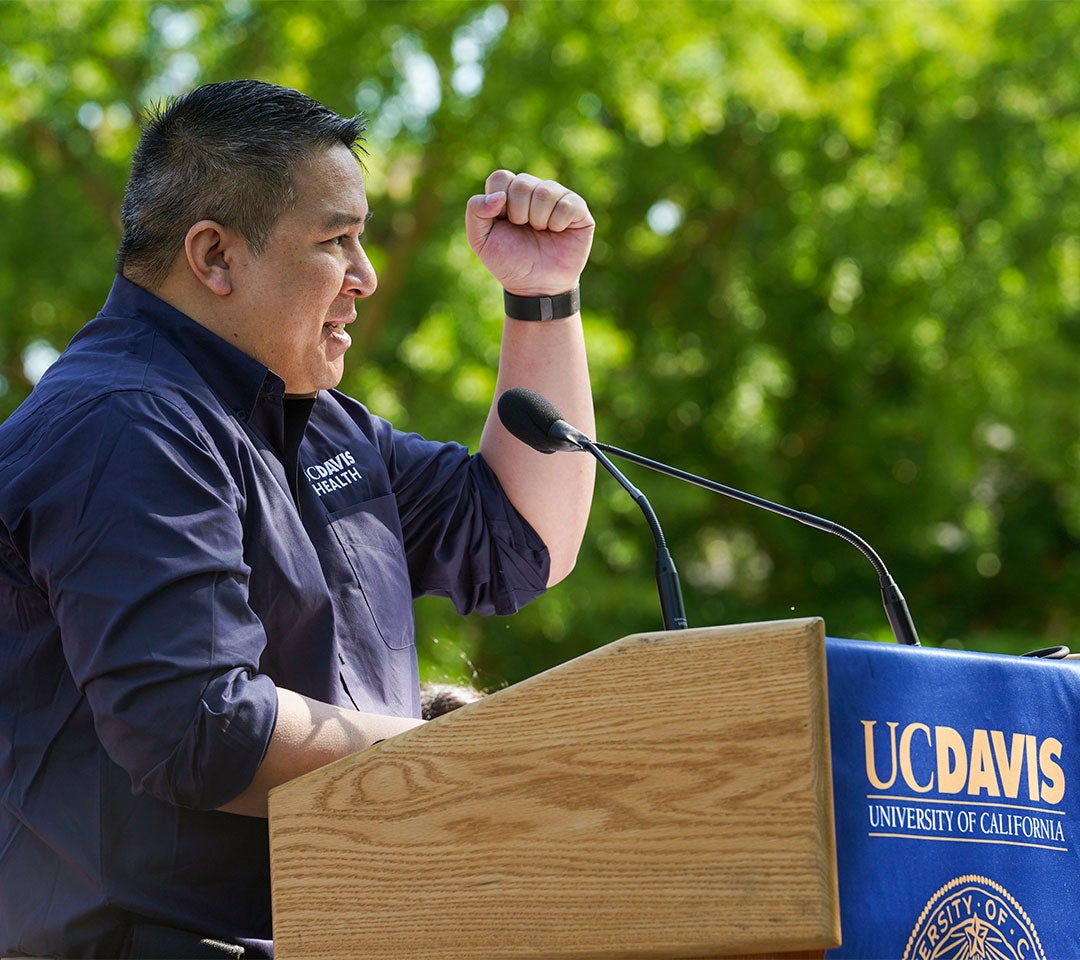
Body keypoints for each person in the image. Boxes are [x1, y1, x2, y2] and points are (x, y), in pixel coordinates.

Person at [0, 79, 595, 958]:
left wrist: (542, 296)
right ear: (215, 258)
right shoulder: (124, 422)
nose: (367, 276)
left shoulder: (320, 420)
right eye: (338, 241)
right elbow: (201, 728)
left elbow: (521, 541)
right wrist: (476, 760)